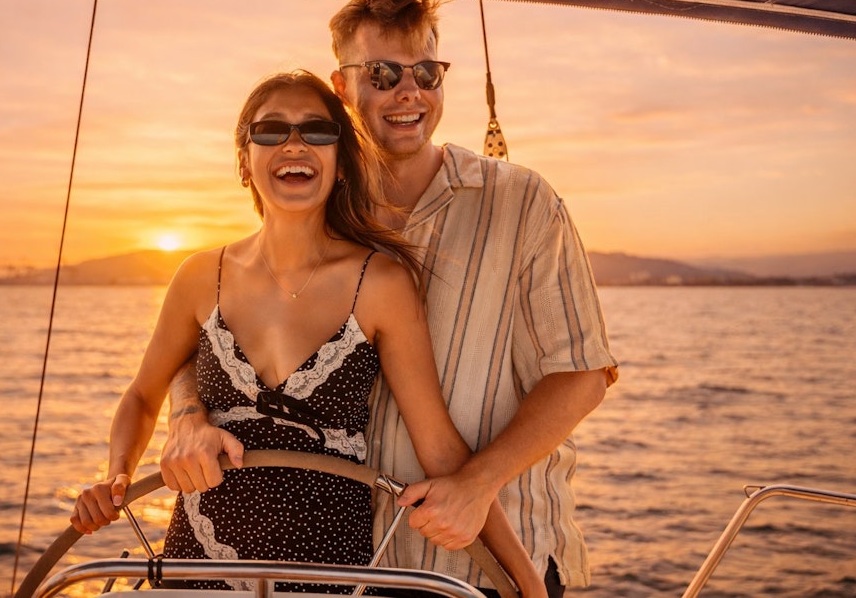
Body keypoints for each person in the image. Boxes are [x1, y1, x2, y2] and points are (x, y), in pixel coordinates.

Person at [159, 0, 619, 598]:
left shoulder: (524, 202)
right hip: (356, 564)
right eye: (383, 73)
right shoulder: (313, 208)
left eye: (427, 73)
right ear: (343, 87)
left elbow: (584, 373)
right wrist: (187, 416)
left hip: (487, 558)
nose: (409, 92)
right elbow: (208, 339)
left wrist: (478, 485)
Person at [69, 70, 546, 596]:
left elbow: (439, 449)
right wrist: (116, 476)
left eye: (317, 131)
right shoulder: (199, 277)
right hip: (194, 565)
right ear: (244, 161)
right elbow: (142, 393)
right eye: (271, 130)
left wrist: (527, 583)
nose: (294, 144)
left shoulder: (380, 282)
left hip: (330, 577)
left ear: (340, 162)